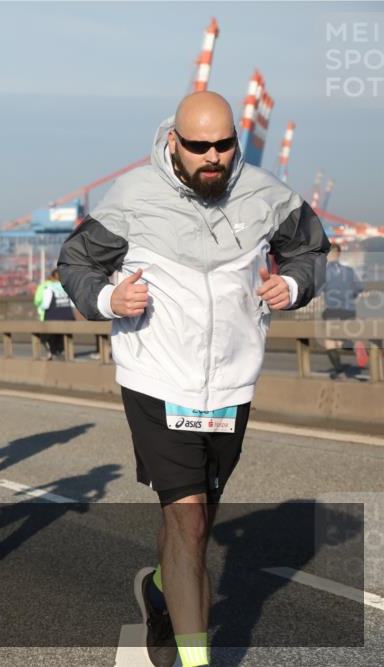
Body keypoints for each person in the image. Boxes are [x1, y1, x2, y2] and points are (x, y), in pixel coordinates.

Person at [58, 91, 328, 667]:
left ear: (235, 141)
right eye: (199, 145)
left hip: (232, 384)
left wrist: (296, 285)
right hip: (155, 378)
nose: (213, 157)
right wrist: (110, 296)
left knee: (198, 518)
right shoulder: (133, 196)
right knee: (188, 514)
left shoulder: (266, 194)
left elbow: (308, 248)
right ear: (173, 141)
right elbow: (76, 263)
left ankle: (159, 591)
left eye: (224, 145)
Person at [320, 243, 364, 380]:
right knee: (343, 337)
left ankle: (340, 373)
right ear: (339, 254)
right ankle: (356, 344)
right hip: (350, 310)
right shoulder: (349, 270)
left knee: (330, 342)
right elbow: (358, 288)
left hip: (332, 311)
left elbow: (316, 290)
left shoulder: (324, 271)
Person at [34, 268, 74, 360]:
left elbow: (46, 304)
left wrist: (40, 309)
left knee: (49, 336)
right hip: (67, 316)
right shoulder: (68, 287)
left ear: (52, 277)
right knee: (63, 337)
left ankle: (52, 353)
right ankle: (63, 352)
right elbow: (72, 304)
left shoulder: (49, 288)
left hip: (53, 317)